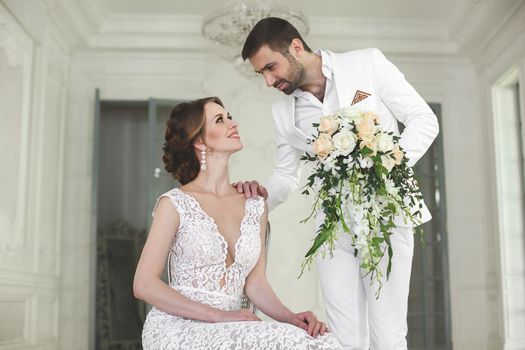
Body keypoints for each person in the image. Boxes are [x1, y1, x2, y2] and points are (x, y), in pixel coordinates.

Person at [237, 17, 440, 350]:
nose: (269, 81)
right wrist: (255, 198)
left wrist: (382, 166)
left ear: (296, 48)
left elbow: (423, 120)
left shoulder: (368, 63)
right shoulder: (283, 114)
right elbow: (287, 176)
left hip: (386, 215)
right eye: (262, 74)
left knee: (387, 334)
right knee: (345, 338)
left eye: (271, 68)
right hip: (333, 228)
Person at [133, 97, 342, 350]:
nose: (233, 123)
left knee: (324, 341)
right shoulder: (174, 203)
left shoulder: (255, 203)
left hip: (234, 325)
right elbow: (144, 285)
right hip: (179, 327)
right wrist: (218, 316)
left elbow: (255, 284)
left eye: (229, 116)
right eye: (220, 120)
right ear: (199, 140)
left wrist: (292, 318)